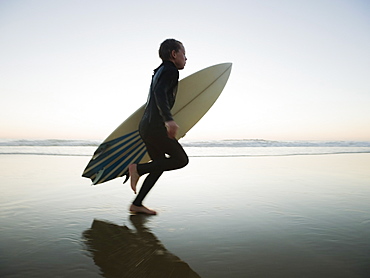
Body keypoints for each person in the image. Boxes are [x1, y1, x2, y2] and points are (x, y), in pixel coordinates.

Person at [128, 39, 189, 215]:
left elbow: (155, 96)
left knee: (159, 165)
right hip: (155, 127)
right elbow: (160, 93)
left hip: (146, 127)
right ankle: (138, 169)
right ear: (174, 54)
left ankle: (137, 204)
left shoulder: (159, 72)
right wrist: (169, 120)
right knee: (181, 160)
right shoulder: (170, 70)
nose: (186, 58)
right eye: (184, 54)